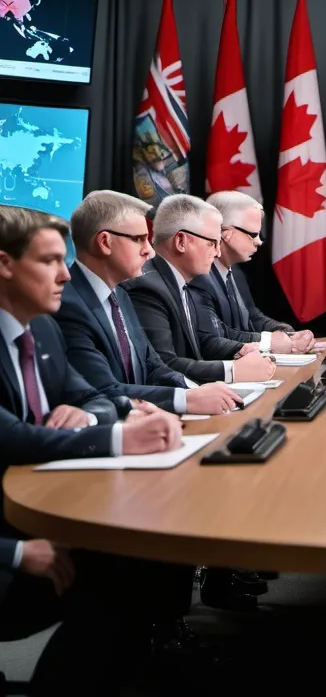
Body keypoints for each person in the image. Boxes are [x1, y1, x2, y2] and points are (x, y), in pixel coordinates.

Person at [0, 206, 194, 688]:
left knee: (137, 567)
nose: (67, 274)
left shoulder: (40, 326)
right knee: (119, 580)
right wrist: (116, 436)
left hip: (41, 504)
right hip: (9, 536)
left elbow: (93, 395)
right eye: (49, 261)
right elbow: (11, 436)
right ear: (4, 264)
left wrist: (90, 415)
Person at [55, 190, 244, 416]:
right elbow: (102, 389)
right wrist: (186, 399)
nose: (150, 251)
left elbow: (153, 366)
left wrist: (197, 390)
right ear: (105, 242)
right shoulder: (67, 305)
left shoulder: (120, 294)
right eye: (138, 239)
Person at [123, 194, 275, 383]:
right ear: (181, 242)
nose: (218, 252)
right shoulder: (148, 287)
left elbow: (202, 339)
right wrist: (232, 370)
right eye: (212, 242)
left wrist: (241, 349)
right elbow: (164, 365)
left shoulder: (181, 279)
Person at [190, 190, 314, 355]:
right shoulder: (198, 276)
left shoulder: (236, 272)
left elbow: (252, 317)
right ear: (225, 232)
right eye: (253, 234)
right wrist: (272, 342)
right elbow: (218, 335)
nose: (259, 242)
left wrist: (287, 334)